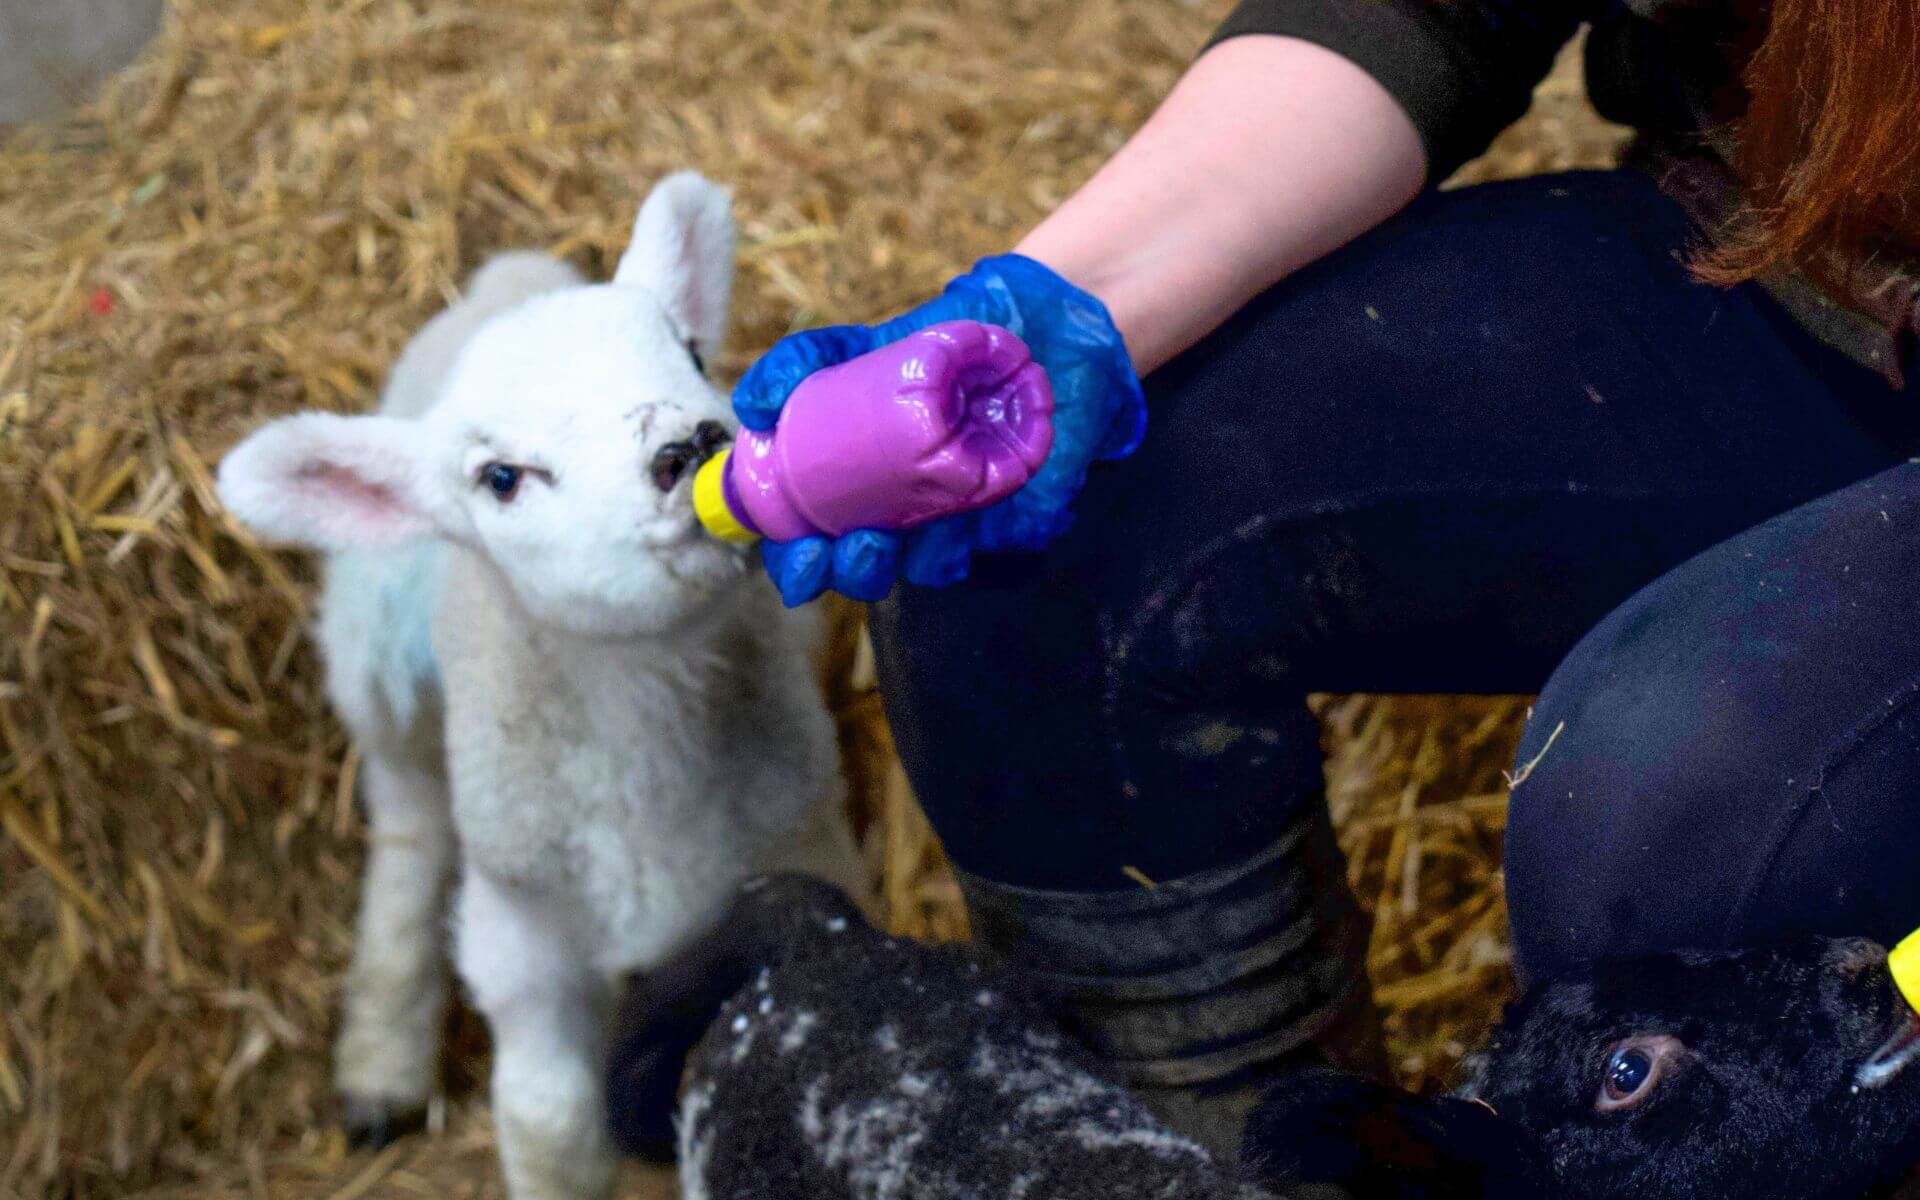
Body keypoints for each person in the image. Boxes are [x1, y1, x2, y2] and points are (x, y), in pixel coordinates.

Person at [730, 0, 1920, 1154]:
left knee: (1673, 824)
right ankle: (1218, 1162)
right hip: (1778, 254)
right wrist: (1068, 310)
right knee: (1034, 558)